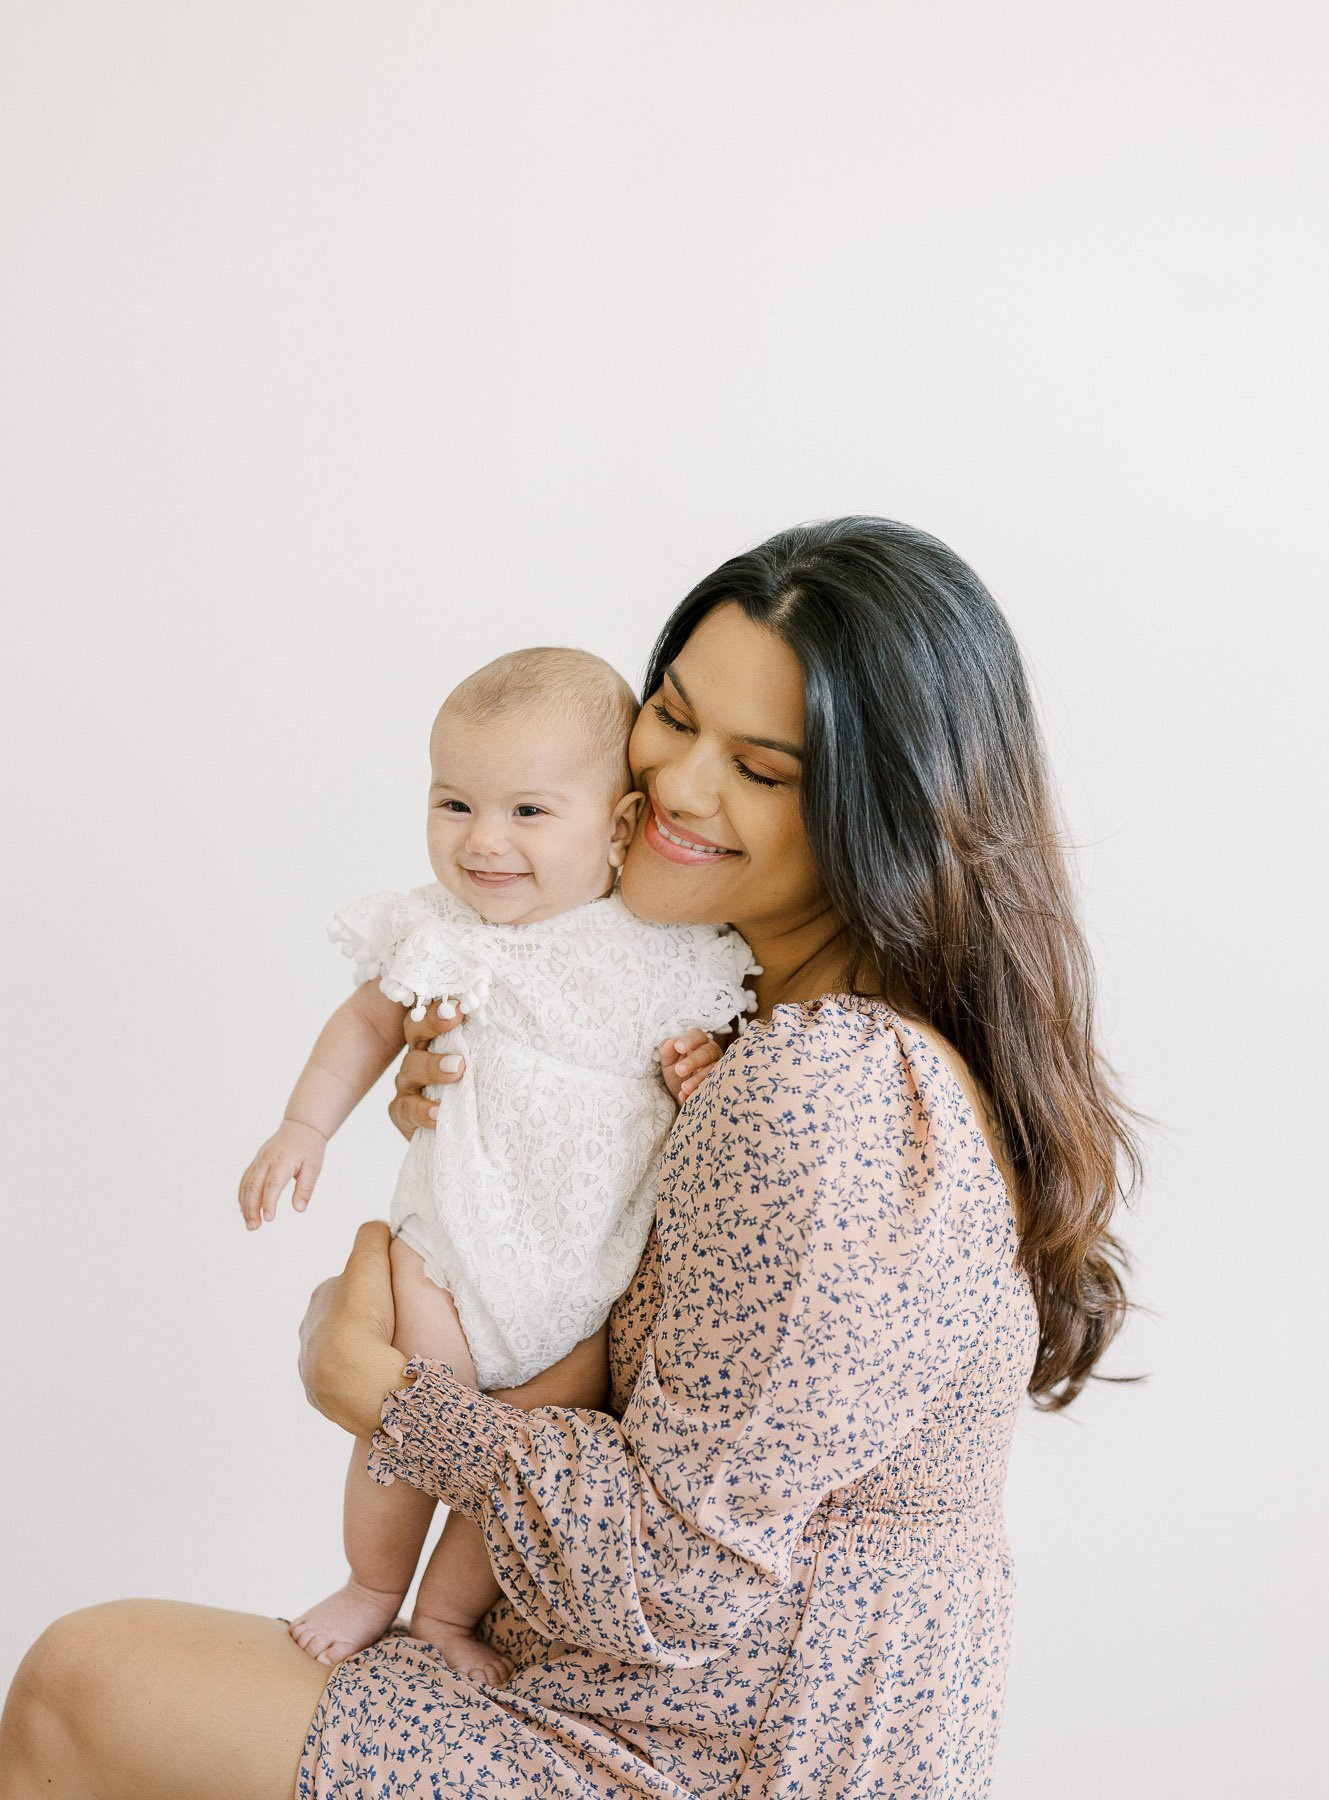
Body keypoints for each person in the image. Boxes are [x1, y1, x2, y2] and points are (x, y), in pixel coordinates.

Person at [0, 517, 1141, 1798]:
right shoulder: (736, 1030)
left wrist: (378, 1391)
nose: (681, 787)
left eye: (761, 769)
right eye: (674, 715)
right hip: (614, 1686)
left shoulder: (825, 1089)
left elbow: (680, 1574)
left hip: (694, 1755)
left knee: (80, 1686)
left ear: (879, 816)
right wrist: (485, 1145)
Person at [237, 645, 756, 1681]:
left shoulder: (669, 949)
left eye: (527, 812)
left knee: (530, 1452)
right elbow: (364, 1025)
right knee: (408, 1410)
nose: (482, 840)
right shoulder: (445, 933)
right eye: (454, 804)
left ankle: (444, 1617)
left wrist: (706, 1065)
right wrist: (304, 1127)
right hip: (449, 1247)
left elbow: (718, 1054)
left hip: (582, 1284)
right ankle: (374, 1585)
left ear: (618, 826)